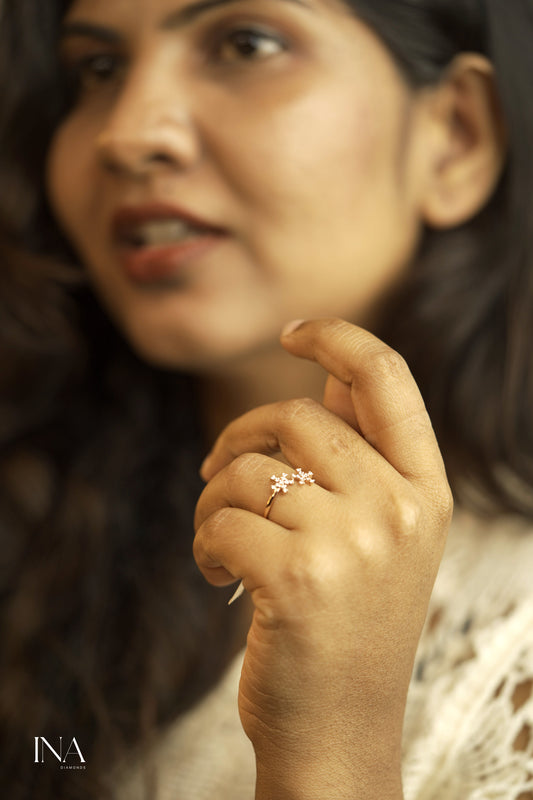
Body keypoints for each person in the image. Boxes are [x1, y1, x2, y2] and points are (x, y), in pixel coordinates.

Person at [1, 0, 532, 798]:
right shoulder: (36, 520)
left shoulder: (506, 649)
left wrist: (334, 749)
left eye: (245, 44)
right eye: (98, 68)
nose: (127, 133)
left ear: (454, 136)